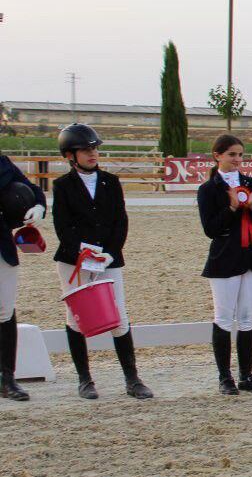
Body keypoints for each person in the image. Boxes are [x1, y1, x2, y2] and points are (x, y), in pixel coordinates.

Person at [51, 124, 153, 400]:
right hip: (75, 262)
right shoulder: (62, 186)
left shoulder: (111, 181)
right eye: (85, 149)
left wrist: (110, 251)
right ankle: (85, 379)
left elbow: (120, 220)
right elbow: (62, 226)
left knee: (118, 316)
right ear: (70, 155)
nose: (92, 153)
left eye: (94, 148)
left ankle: (132, 379)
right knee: (76, 318)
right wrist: (83, 252)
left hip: (108, 259)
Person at [197, 134, 252, 396]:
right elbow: (210, 228)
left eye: (240, 154)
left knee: (247, 318)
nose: (237, 160)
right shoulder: (209, 189)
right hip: (225, 258)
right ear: (217, 155)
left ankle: (246, 374)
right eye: (232, 154)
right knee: (223, 317)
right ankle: (225, 376)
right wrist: (232, 208)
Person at [0, 150, 47, 400]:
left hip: (1, 247)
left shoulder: (3, 163)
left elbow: (31, 188)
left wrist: (38, 205)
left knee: (5, 310)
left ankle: (7, 378)